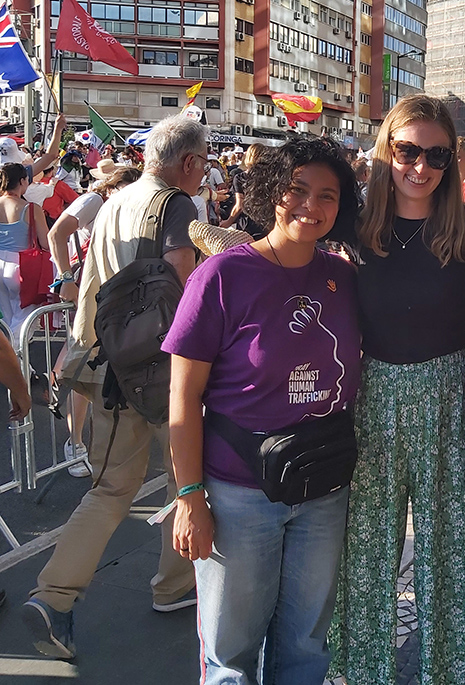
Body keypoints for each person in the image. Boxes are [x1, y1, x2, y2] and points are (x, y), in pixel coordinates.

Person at [164, 138, 360, 684]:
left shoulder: (343, 279)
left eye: (327, 195)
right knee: (231, 657)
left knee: (305, 647)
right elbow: (182, 398)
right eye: (297, 189)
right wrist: (188, 497)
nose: (310, 206)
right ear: (272, 189)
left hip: (323, 491)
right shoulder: (223, 276)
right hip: (238, 496)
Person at [21, 114, 207, 660]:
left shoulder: (115, 202)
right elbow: (184, 286)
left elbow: (92, 291)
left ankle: (54, 595)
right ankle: (174, 586)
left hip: (109, 372)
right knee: (188, 481)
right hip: (163, 374)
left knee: (109, 490)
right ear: (190, 163)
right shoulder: (175, 206)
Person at [332, 94, 465, 685]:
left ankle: (449, 673)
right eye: (407, 150)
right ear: (386, 150)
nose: (421, 166)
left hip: (450, 394)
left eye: (436, 155)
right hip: (372, 394)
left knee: (448, 550)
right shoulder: (353, 224)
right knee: (366, 547)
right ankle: (364, 672)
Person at [48, 164, 142, 478]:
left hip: (107, 290)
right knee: (84, 362)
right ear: (115, 186)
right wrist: (64, 278)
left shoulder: (121, 207)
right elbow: (56, 232)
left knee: (92, 364)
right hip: (87, 286)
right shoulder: (94, 202)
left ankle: (93, 442)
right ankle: (74, 444)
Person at [0, 163, 51, 348]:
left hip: (0, 262)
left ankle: (12, 367)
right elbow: (45, 242)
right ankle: (16, 365)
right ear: (22, 181)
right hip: (21, 265)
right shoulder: (31, 208)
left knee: (5, 319)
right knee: (24, 319)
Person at [220, 143, 265, 238]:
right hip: (267, 223)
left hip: (247, 223)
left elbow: (239, 205)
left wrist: (228, 222)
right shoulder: (271, 177)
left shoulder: (241, 178)